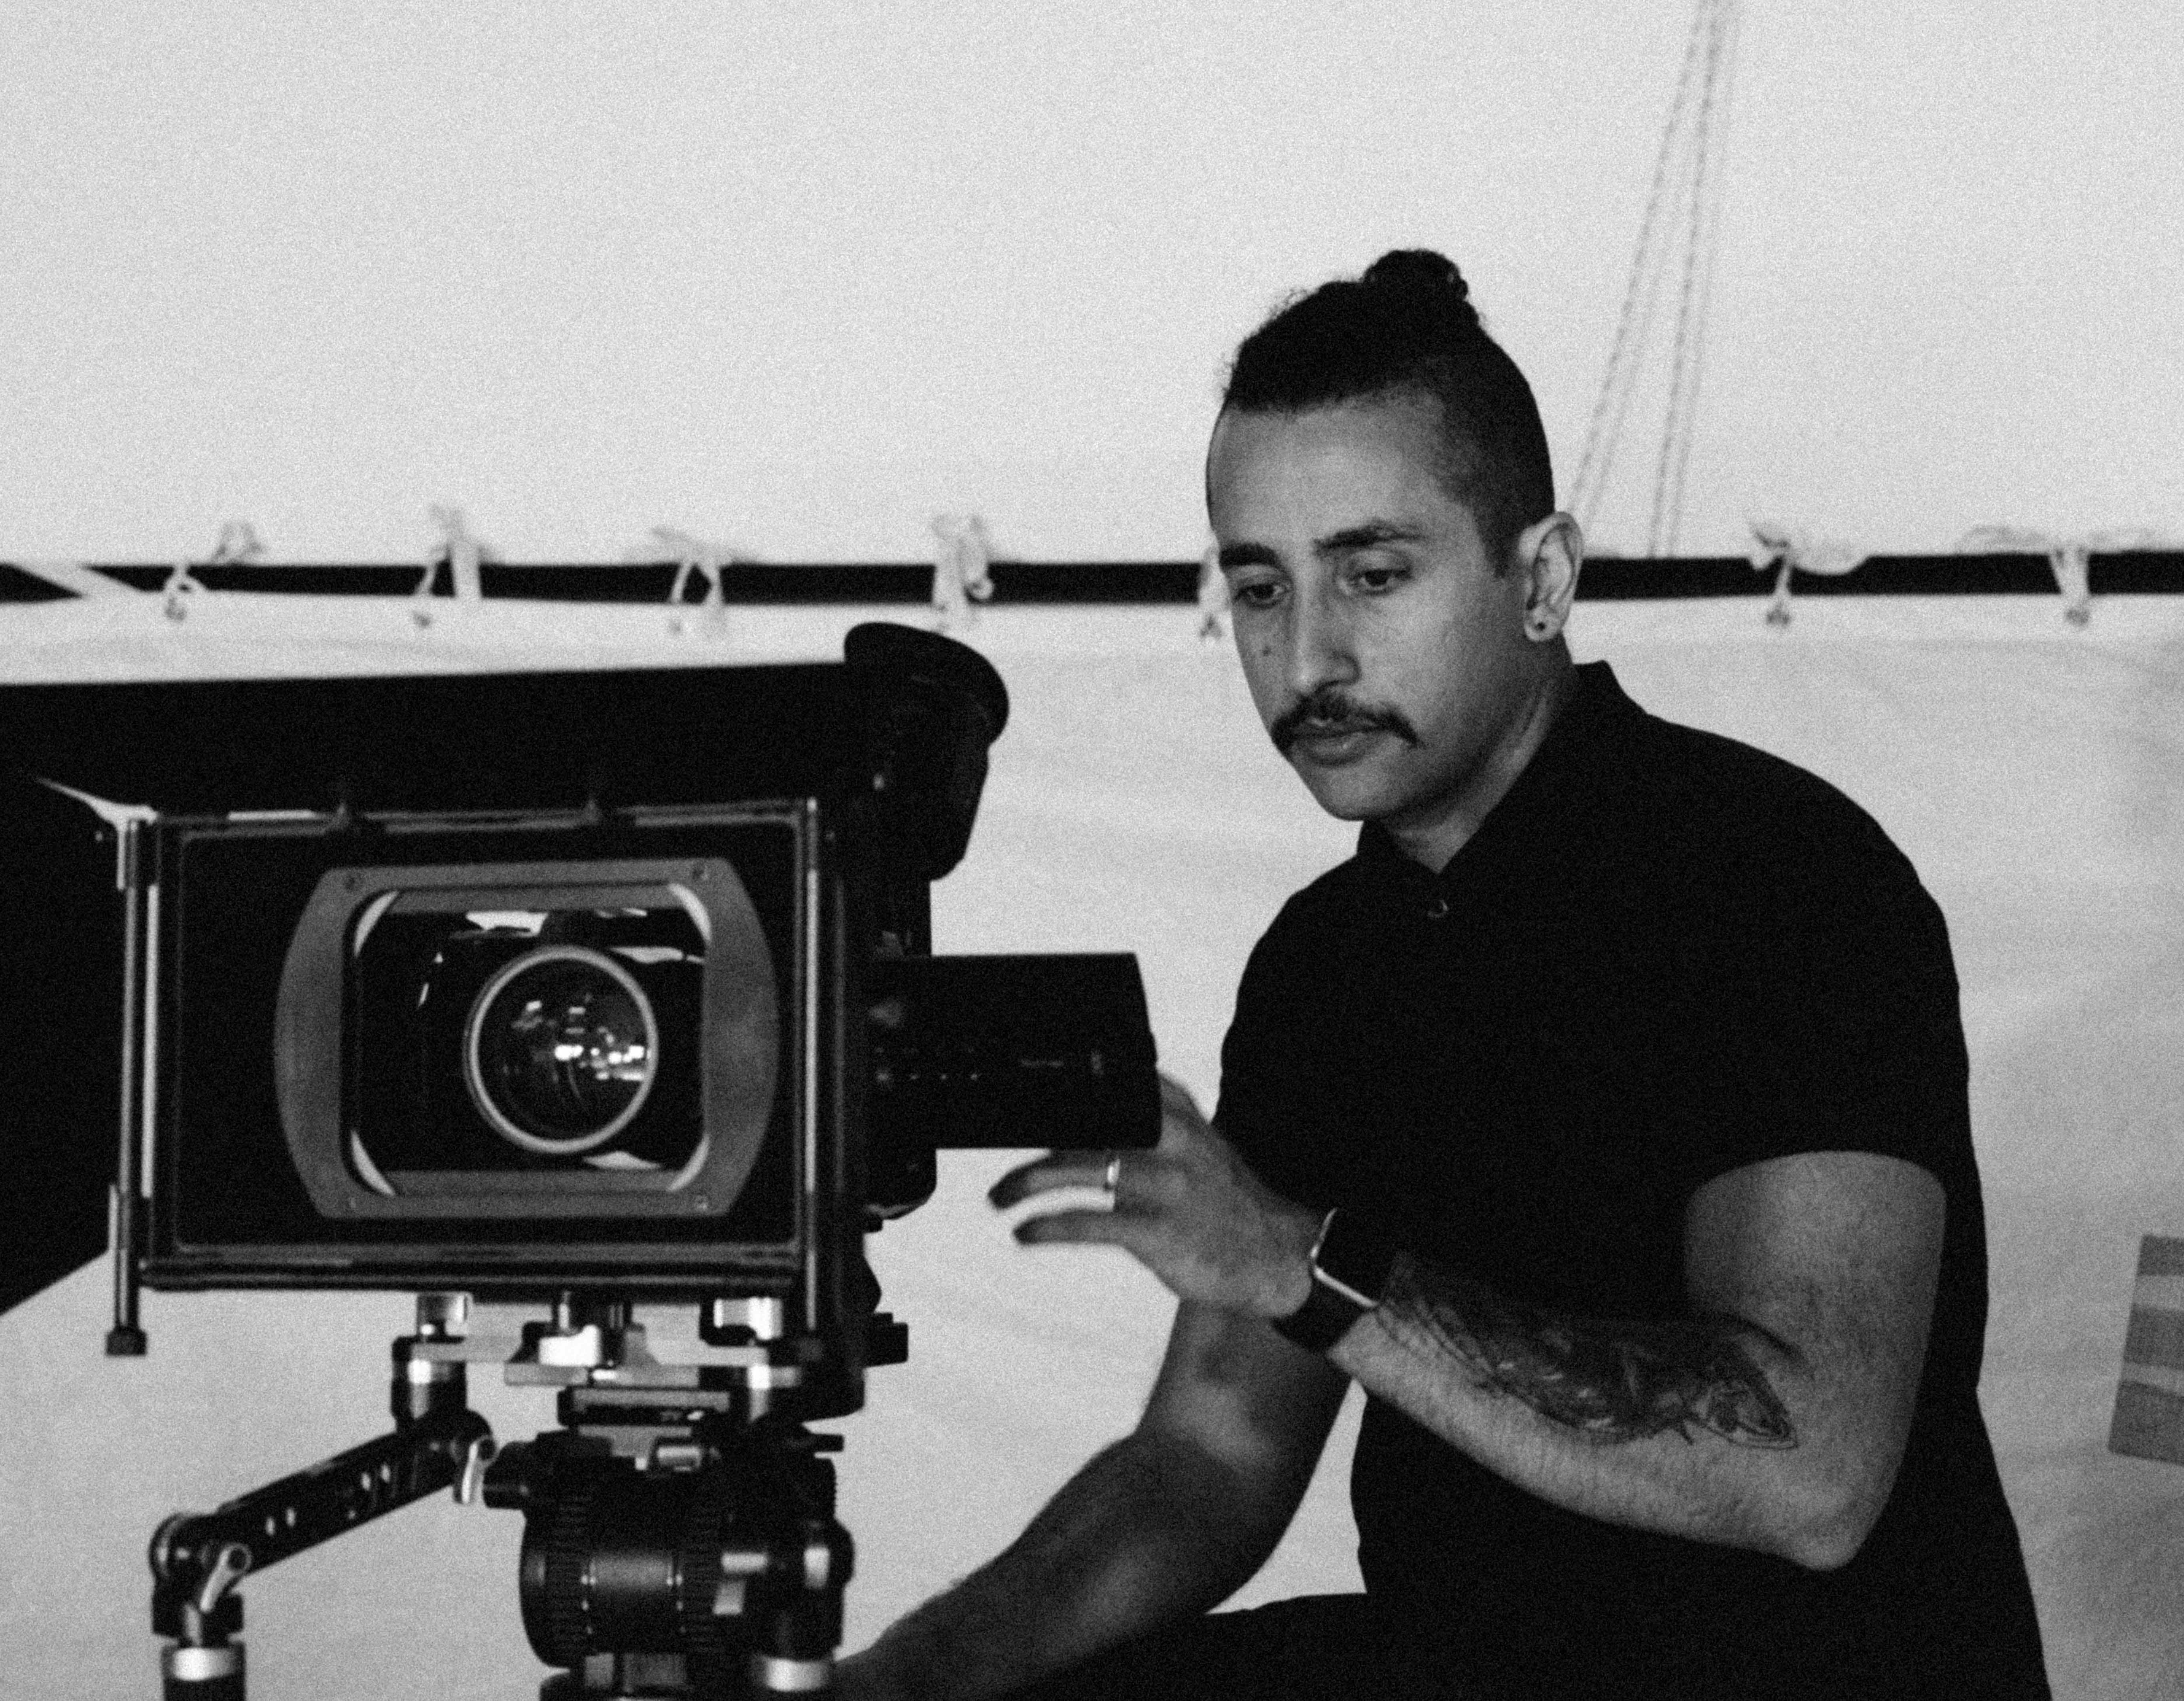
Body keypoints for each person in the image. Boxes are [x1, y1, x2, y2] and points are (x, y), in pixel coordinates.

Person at [834, 251, 2051, 1699]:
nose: (1312, 654)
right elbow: (1210, 1458)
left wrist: (1309, 1267)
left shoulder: (1781, 879)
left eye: (1375, 572)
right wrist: (891, 1685)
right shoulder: (1325, 962)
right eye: (1260, 588)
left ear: (1540, 577)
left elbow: (1810, 1467)